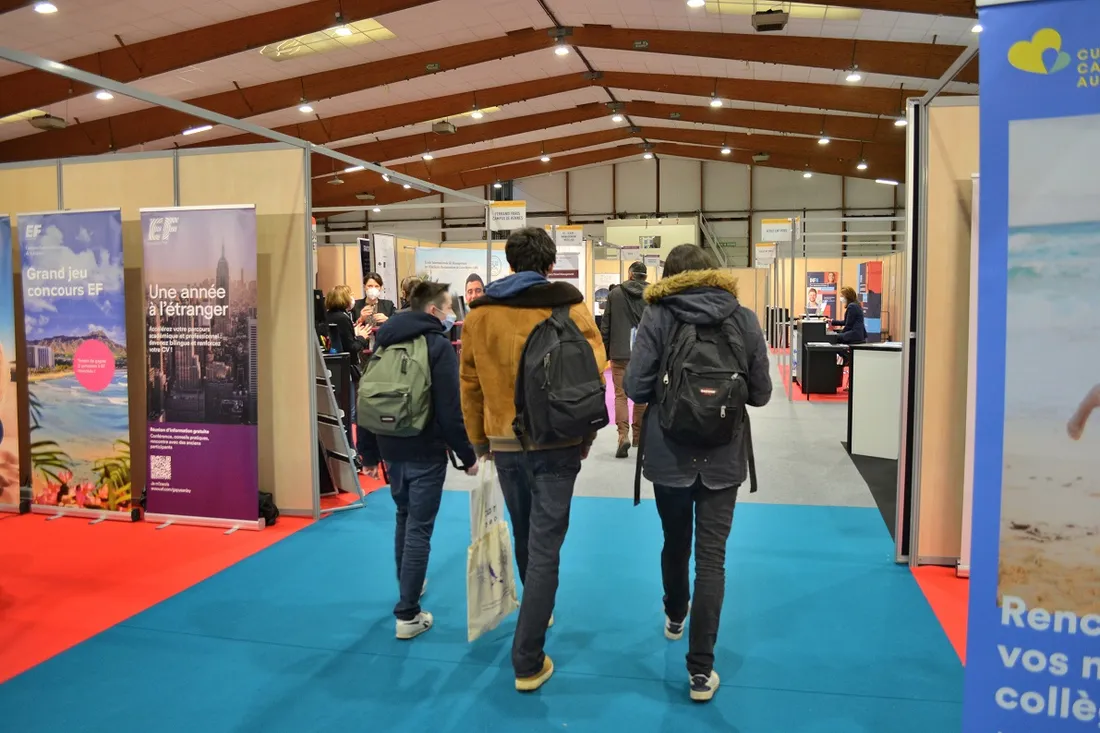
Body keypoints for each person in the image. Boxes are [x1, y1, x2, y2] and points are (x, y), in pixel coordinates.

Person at [459, 227, 606, 693]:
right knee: (546, 545)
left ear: (508, 262)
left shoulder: (479, 315)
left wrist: (479, 442)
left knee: (525, 532)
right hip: (559, 441)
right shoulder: (569, 305)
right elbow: (595, 365)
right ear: (549, 263)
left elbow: (470, 384)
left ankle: (535, 606)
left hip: (504, 443)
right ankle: (527, 657)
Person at [625, 243, 771, 703]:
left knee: (674, 541)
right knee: (713, 560)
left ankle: (674, 613)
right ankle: (701, 672)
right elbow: (762, 393)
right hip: (725, 456)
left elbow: (635, 387)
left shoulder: (657, 315)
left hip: (669, 453)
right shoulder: (742, 316)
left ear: (667, 276)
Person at [358, 281, 478, 640]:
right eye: (448, 307)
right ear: (433, 311)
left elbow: (368, 397)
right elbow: (449, 411)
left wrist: (368, 453)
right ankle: (408, 613)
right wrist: (467, 455)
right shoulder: (438, 347)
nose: (451, 314)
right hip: (425, 449)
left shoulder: (385, 339)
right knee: (420, 530)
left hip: (390, 448)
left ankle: (409, 587)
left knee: (404, 517)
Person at [601, 261, 649, 458]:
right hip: (644, 353)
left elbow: (606, 326)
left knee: (621, 395)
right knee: (641, 396)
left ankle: (623, 436)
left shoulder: (615, 294)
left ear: (630, 275)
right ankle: (639, 437)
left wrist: (604, 352)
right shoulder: (653, 295)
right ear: (644, 276)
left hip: (619, 353)